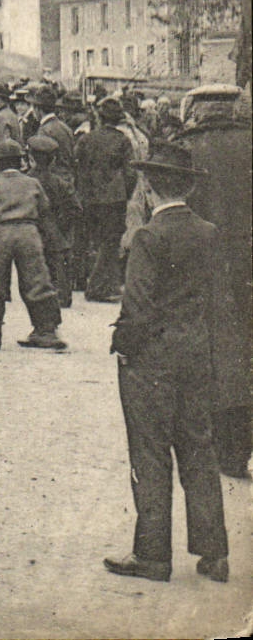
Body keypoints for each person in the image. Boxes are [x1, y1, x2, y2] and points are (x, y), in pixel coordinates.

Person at [103, 142, 229, 585]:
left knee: (151, 453)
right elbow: (217, 302)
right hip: (195, 353)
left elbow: (137, 305)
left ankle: (153, 555)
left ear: (150, 189)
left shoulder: (149, 237)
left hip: (152, 361)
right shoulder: (208, 232)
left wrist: (123, 345)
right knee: (199, 448)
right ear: (188, 188)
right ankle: (214, 553)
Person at [174, 84, 252, 478]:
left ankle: (225, 448)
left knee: (215, 354)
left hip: (202, 267)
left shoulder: (183, 150)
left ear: (198, 110)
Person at [0, 139, 65, 351]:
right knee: (37, 281)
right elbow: (44, 207)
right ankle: (46, 331)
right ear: (21, 160)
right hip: (29, 233)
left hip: (2, 234)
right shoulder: (32, 183)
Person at [77, 96, 136, 303]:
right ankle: (97, 287)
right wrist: (125, 194)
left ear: (100, 118)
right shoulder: (123, 141)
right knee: (110, 243)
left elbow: (79, 168)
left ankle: (102, 284)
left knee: (95, 240)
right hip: (114, 199)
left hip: (90, 197)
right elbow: (130, 173)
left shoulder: (86, 139)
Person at [27, 135, 78, 311]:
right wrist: (62, 225)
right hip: (55, 230)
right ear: (53, 159)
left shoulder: (26, 181)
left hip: (32, 231)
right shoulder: (60, 182)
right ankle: (62, 295)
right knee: (59, 260)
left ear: (31, 157)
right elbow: (74, 208)